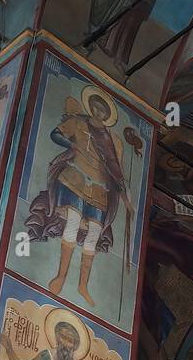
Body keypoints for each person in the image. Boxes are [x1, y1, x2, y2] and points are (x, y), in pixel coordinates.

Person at [25, 88, 132, 309]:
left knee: (93, 233)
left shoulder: (113, 140)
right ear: (91, 107)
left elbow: (116, 169)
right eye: (97, 107)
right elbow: (55, 134)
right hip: (75, 177)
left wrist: (126, 199)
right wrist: (71, 145)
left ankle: (83, 286)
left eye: (103, 110)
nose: (99, 112)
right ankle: (61, 277)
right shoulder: (78, 123)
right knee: (72, 223)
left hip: (100, 189)